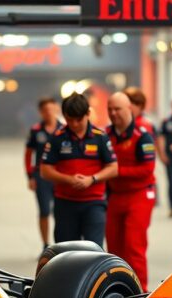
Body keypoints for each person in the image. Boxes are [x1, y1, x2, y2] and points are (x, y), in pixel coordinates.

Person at [40, 93, 118, 246]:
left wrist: (92, 179)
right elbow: (45, 170)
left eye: (78, 119)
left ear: (88, 114)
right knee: (66, 253)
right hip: (65, 204)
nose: (74, 124)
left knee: (93, 251)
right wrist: (68, 179)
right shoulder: (57, 137)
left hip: (94, 204)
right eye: (69, 119)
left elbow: (113, 168)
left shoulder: (100, 137)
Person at [105, 92, 156, 291]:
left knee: (134, 246)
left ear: (129, 109)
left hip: (140, 195)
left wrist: (117, 171)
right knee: (114, 248)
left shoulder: (142, 136)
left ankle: (139, 292)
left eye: (117, 109)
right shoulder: (105, 135)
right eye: (110, 109)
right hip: (115, 196)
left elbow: (147, 170)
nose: (113, 113)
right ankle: (117, 289)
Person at [24, 97, 62, 250]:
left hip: (60, 177)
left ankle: (61, 245)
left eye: (52, 109)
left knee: (60, 212)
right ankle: (46, 245)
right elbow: (28, 155)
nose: (49, 113)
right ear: (40, 112)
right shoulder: (35, 131)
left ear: (57, 109)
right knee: (44, 211)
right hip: (41, 176)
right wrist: (31, 176)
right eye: (45, 110)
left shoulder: (63, 129)